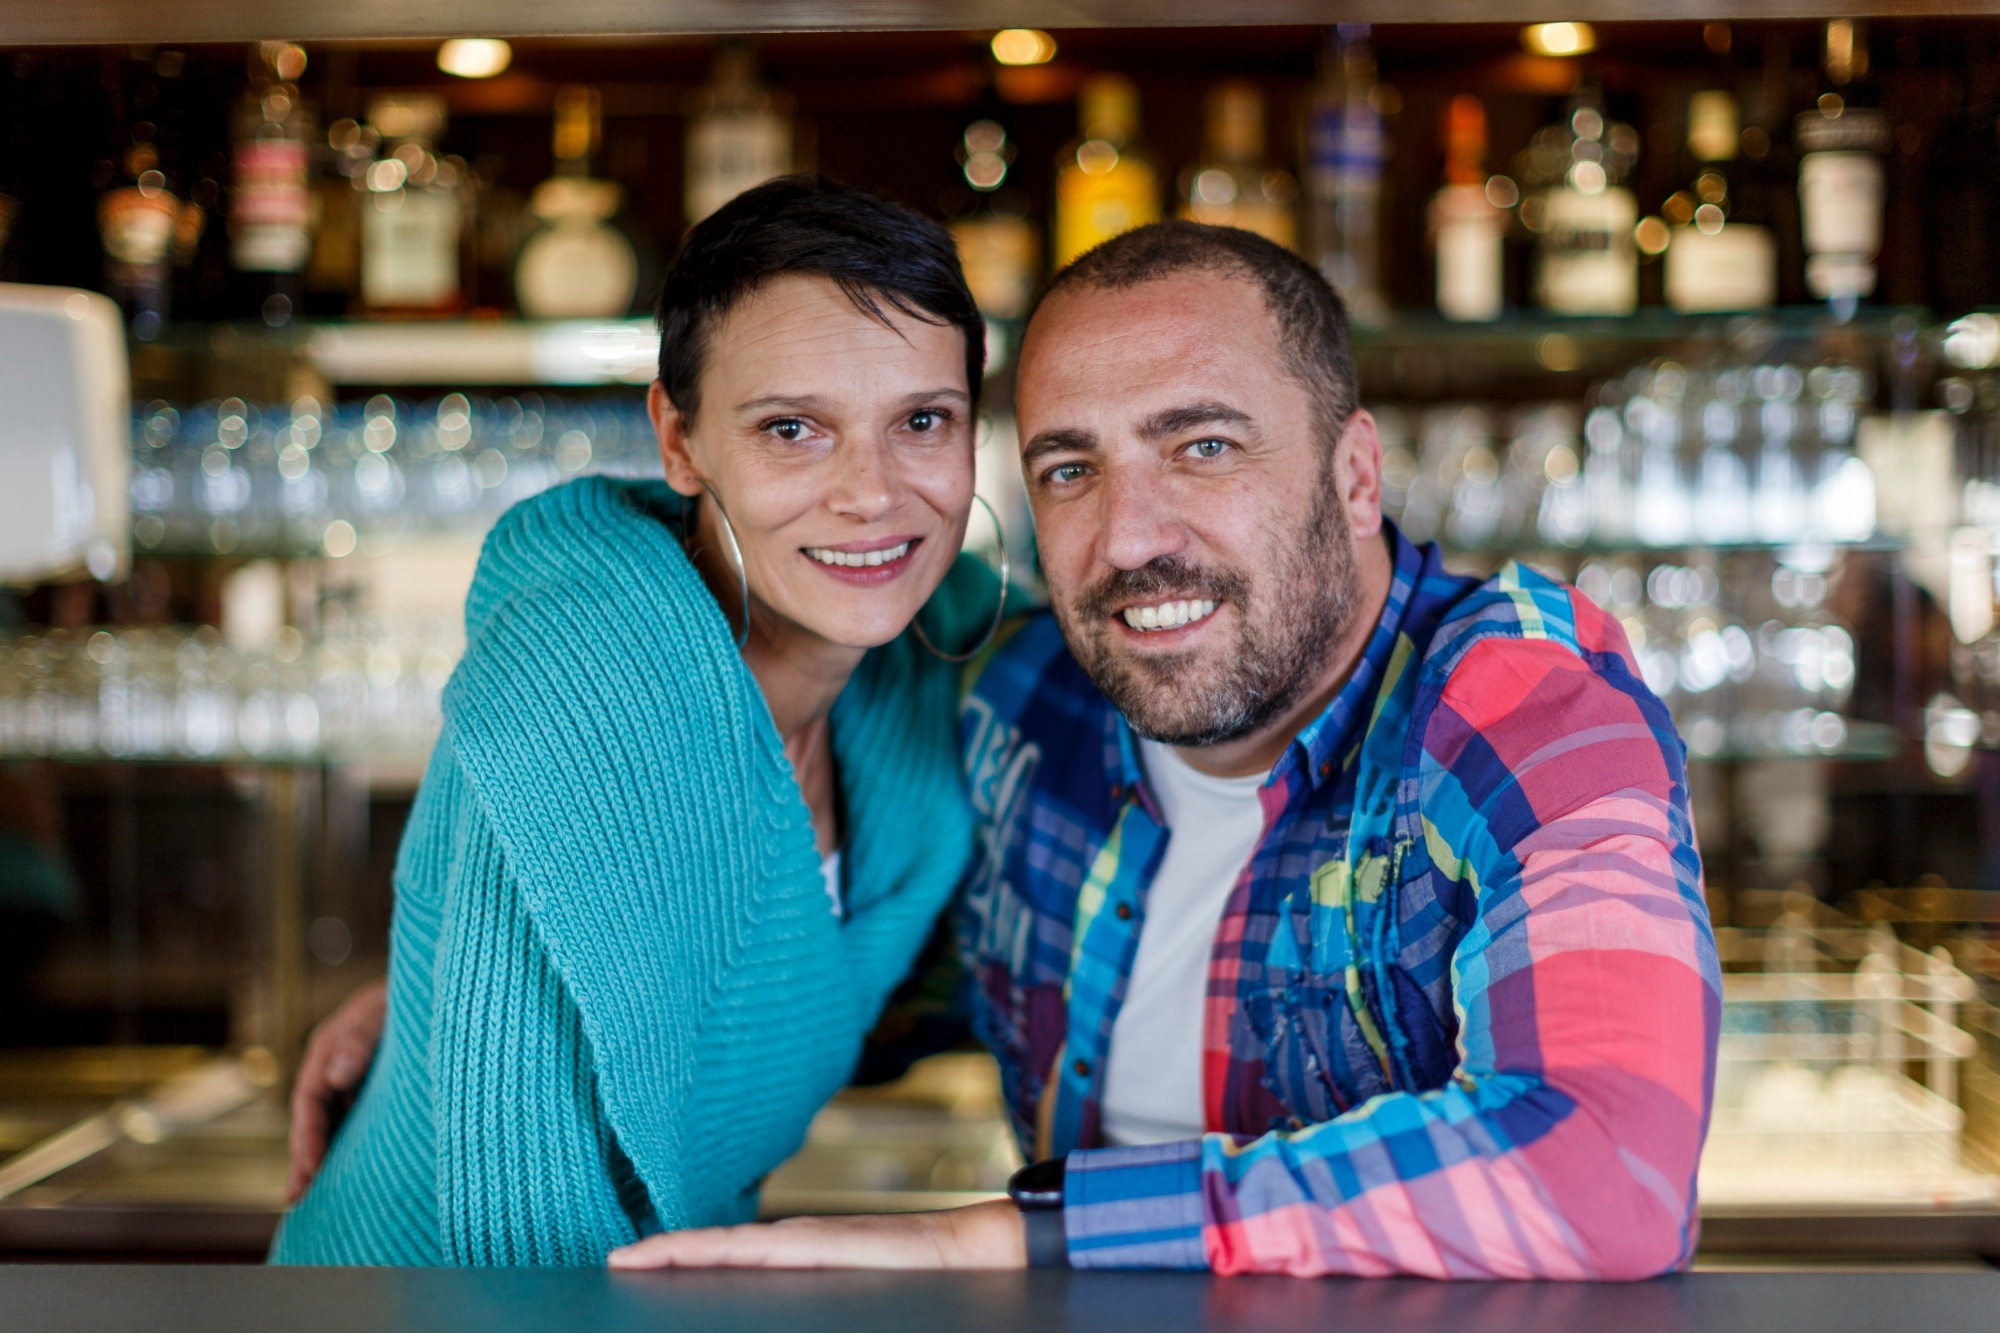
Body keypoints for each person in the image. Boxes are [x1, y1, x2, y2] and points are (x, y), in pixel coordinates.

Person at [605, 222, 1721, 1278]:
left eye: (1202, 446)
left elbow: (1608, 1166)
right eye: (1068, 470)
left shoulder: (1520, 712)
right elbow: (838, 1007)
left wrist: (1024, 1237)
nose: (1129, 539)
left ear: (1353, 475)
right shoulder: (1027, 697)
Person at [270, 175, 1006, 1264]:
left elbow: (768, 996)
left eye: (922, 422)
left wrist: (440, 981)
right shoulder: (597, 670)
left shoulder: (913, 662)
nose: (871, 493)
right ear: (678, 439)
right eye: (792, 429)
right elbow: (518, 1208)